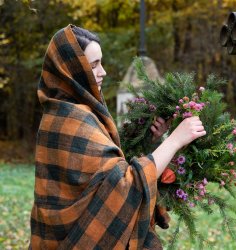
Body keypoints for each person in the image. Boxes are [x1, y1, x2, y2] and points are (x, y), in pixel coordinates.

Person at [29, 24, 206, 250]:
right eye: (93, 65)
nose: (103, 72)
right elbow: (124, 184)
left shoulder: (66, 111)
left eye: (101, 62)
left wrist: (152, 141)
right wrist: (175, 141)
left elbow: (107, 172)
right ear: (73, 71)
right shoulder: (72, 119)